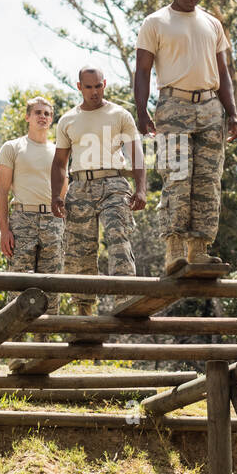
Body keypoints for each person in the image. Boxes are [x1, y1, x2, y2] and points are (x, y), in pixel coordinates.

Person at [134, 0, 237, 272]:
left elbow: (223, 71)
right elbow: (142, 71)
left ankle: (198, 248)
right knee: (177, 176)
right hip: (174, 106)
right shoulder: (155, 22)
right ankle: (174, 249)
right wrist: (141, 111)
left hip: (210, 108)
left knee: (208, 180)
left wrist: (232, 113)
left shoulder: (212, 24)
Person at [50, 67, 146, 314]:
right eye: (89, 87)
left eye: (98, 86)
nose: (94, 91)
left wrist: (141, 189)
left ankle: (124, 298)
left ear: (105, 84)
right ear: (79, 86)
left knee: (117, 236)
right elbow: (60, 163)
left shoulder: (120, 114)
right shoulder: (68, 120)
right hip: (80, 185)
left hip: (113, 183)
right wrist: (56, 196)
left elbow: (136, 154)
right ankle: (83, 307)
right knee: (79, 247)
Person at [0, 97, 66, 313]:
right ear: (28, 117)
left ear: (52, 119)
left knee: (51, 288)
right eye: (37, 112)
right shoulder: (12, 147)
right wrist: (4, 230)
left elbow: (64, 190)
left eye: (47, 113)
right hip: (22, 220)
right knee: (18, 289)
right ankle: (13, 345)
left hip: (52, 222)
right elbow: (2, 191)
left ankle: (43, 345)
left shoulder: (59, 152)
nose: (42, 117)